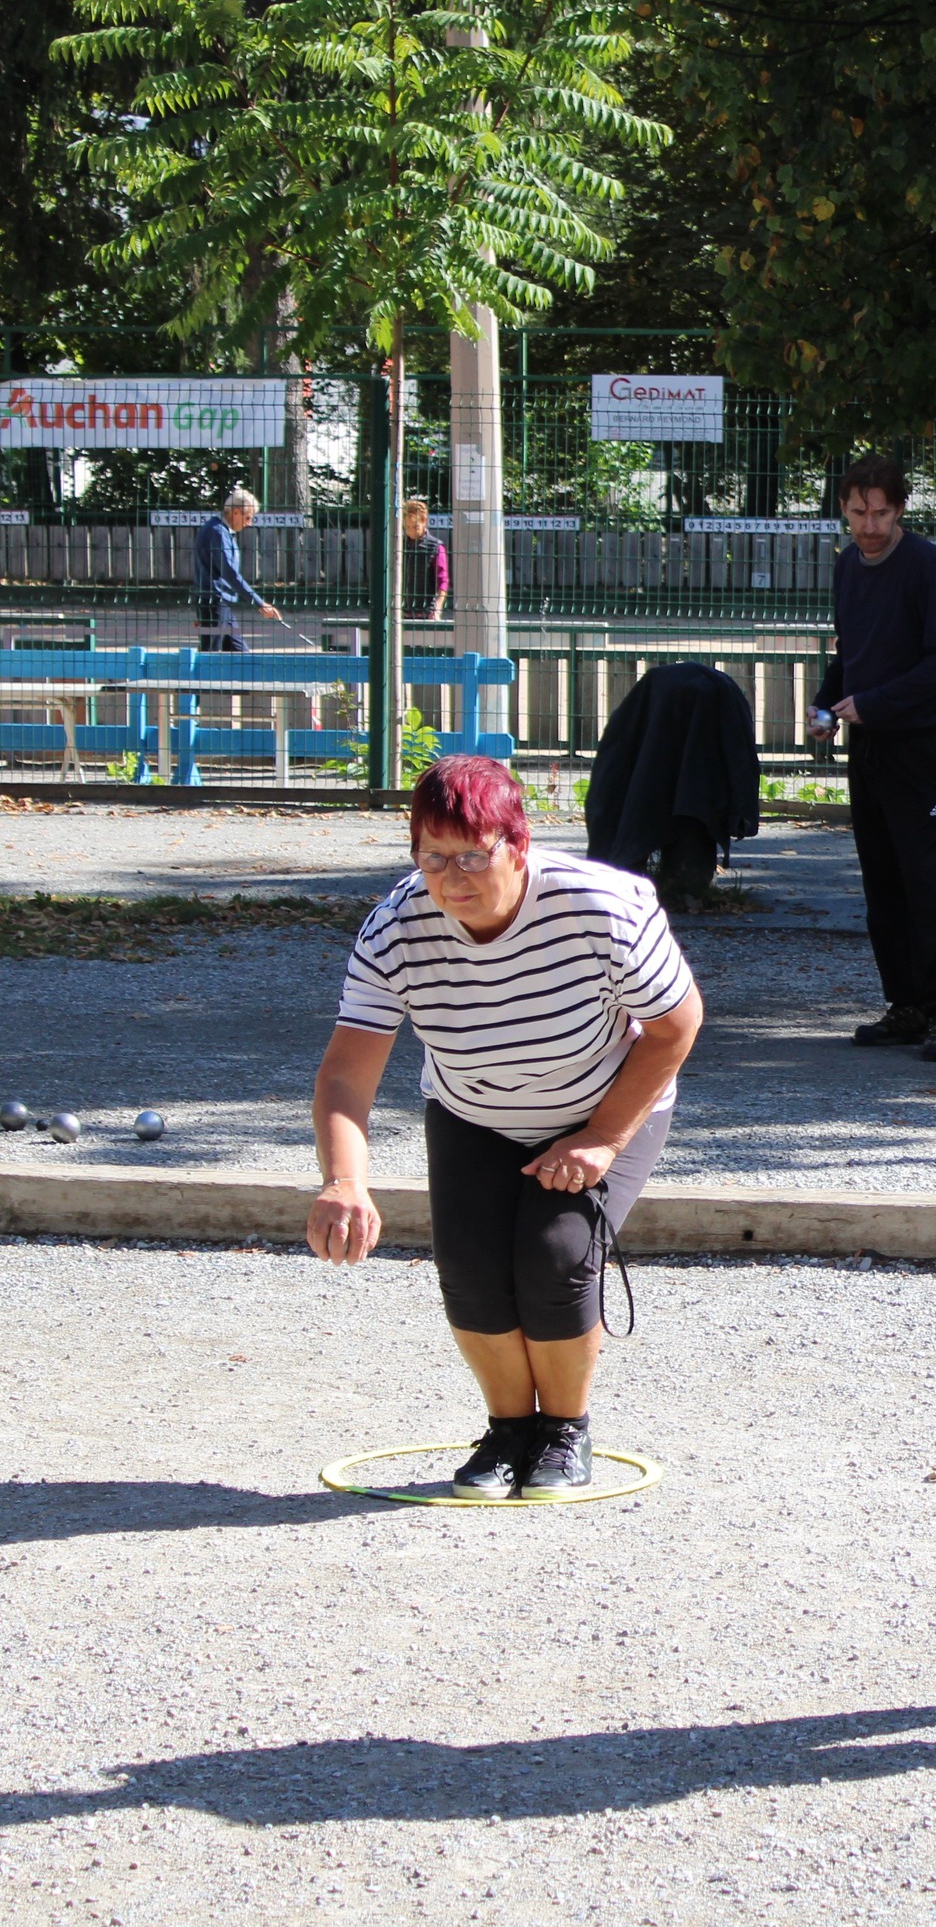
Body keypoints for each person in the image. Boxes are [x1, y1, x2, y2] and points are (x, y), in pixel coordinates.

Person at [307, 755, 702, 1500]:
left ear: (516, 845)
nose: (451, 877)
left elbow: (675, 1026)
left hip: (603, 1105)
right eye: (431, 856)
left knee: (552, 1258)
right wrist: (343, 1182)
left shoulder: (602, 905)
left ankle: (564, 1431)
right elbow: (345, 1074)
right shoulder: (397, 926)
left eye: (471, 855)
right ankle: (508, 1431)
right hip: (473, 1109)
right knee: (472, 1272)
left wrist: (600, 1138)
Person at [808, 455, 936, 1063]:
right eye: (858, 512)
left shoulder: (924, 565)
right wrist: (827, 705)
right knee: (883, 879)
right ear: (844, 510)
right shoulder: (848, 565)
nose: (870, 524)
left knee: (927, 879)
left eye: (881, 512)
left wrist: (873, 703)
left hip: (920, 743)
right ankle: (905, 1005)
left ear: (900, 509)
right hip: (869, 742)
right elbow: (850, 651)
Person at [192, 487, 282, 651]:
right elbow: (230, 573)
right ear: (235, 513)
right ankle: (194, 677)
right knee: (209, 655)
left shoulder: (221, 530)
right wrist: (259, 603)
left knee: (240, 655)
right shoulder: (217, 532)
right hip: (214, 602)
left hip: (220, 601)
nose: (249, 523)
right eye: (248, 517)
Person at [402, 497, 450, 621]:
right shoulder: (399, 545)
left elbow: (442, 580)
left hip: (426, 613)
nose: (411, 531)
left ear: (424, 522)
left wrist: (437, 608)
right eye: (407, 527)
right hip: (401, 612)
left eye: (415, 526)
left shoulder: (436, 547)